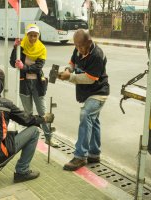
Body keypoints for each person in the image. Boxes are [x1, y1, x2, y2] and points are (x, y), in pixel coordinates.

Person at [0, 67, 54, 182]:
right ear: (0, 85)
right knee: (34, 131)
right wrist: (43, 119)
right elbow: (27, 120)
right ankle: (22, 171)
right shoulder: (5, 105)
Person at [58, 29, 110, 171]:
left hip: (98, 92)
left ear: (89, 42)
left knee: (86, 114)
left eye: (81, 46)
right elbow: (72, 63)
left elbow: (89, 79)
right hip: (87, 93)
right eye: (76, 46)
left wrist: (69, 77)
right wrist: (68, 70)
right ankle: (94, 153)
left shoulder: (97, 55)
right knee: (93, 121)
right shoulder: (78, 49)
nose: (78, 49)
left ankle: (80, 156)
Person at [10, 24, 59, 148]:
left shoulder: (41, 48)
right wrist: (15, 47)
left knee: (43, 112)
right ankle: (30, 137)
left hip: (38, 84)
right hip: (24, 84)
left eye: (35, 36)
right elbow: (12, 63)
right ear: (27, 35)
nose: (32, 38)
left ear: (38, 36)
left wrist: (24, 67)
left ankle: (49, 138)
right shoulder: (21, 46)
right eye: (30, 35)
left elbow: (38, 68)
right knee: (28, 114)